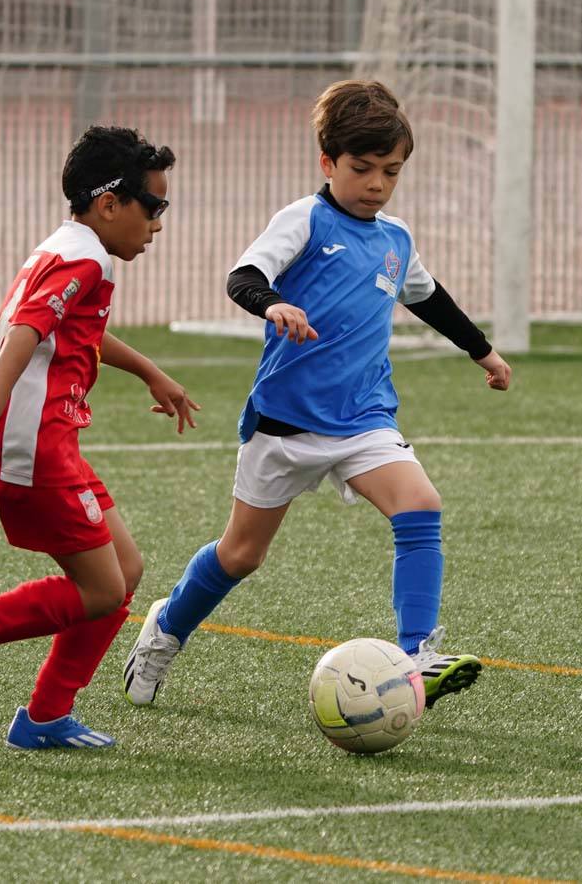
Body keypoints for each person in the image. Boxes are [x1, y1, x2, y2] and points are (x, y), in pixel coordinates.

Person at [122, 80, 511, 710]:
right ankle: (165, 630)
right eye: (362, 169)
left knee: (420, 506)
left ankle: (417, 656)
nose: (377, 184)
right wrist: (273, 303)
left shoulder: (396, 237)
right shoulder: (304, 218)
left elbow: (428, 297)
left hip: (364, 418)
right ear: (328, 163)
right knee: (240, 555)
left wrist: (482, 351)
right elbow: (243, 275)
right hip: (287, 424)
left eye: (391, 171)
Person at [0, 126, 198, 749]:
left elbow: (70, 332)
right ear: (110, 204)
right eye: (154, 206)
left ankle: (47, 717)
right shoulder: (86, 258)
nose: (159, 223)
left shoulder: (71, 248)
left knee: (125, 570)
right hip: (35, 446)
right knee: (102, 589)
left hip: (52, 441)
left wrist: (149, 371)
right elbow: (29, 327)